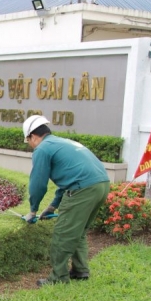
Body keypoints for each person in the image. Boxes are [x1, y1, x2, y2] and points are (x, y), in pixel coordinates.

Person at [21, 115, 110, 286]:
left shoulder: (42, 149)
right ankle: (80, 270)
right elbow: (67, 181)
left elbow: (38, 183)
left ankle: (58, 278)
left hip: (83, 189)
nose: (30, 146)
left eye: (28, 141)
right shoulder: (62, 142)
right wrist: (52, 206)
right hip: (102, 185)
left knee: (63, 234)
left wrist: (33, 210)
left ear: (33, 136)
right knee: (78, 231)